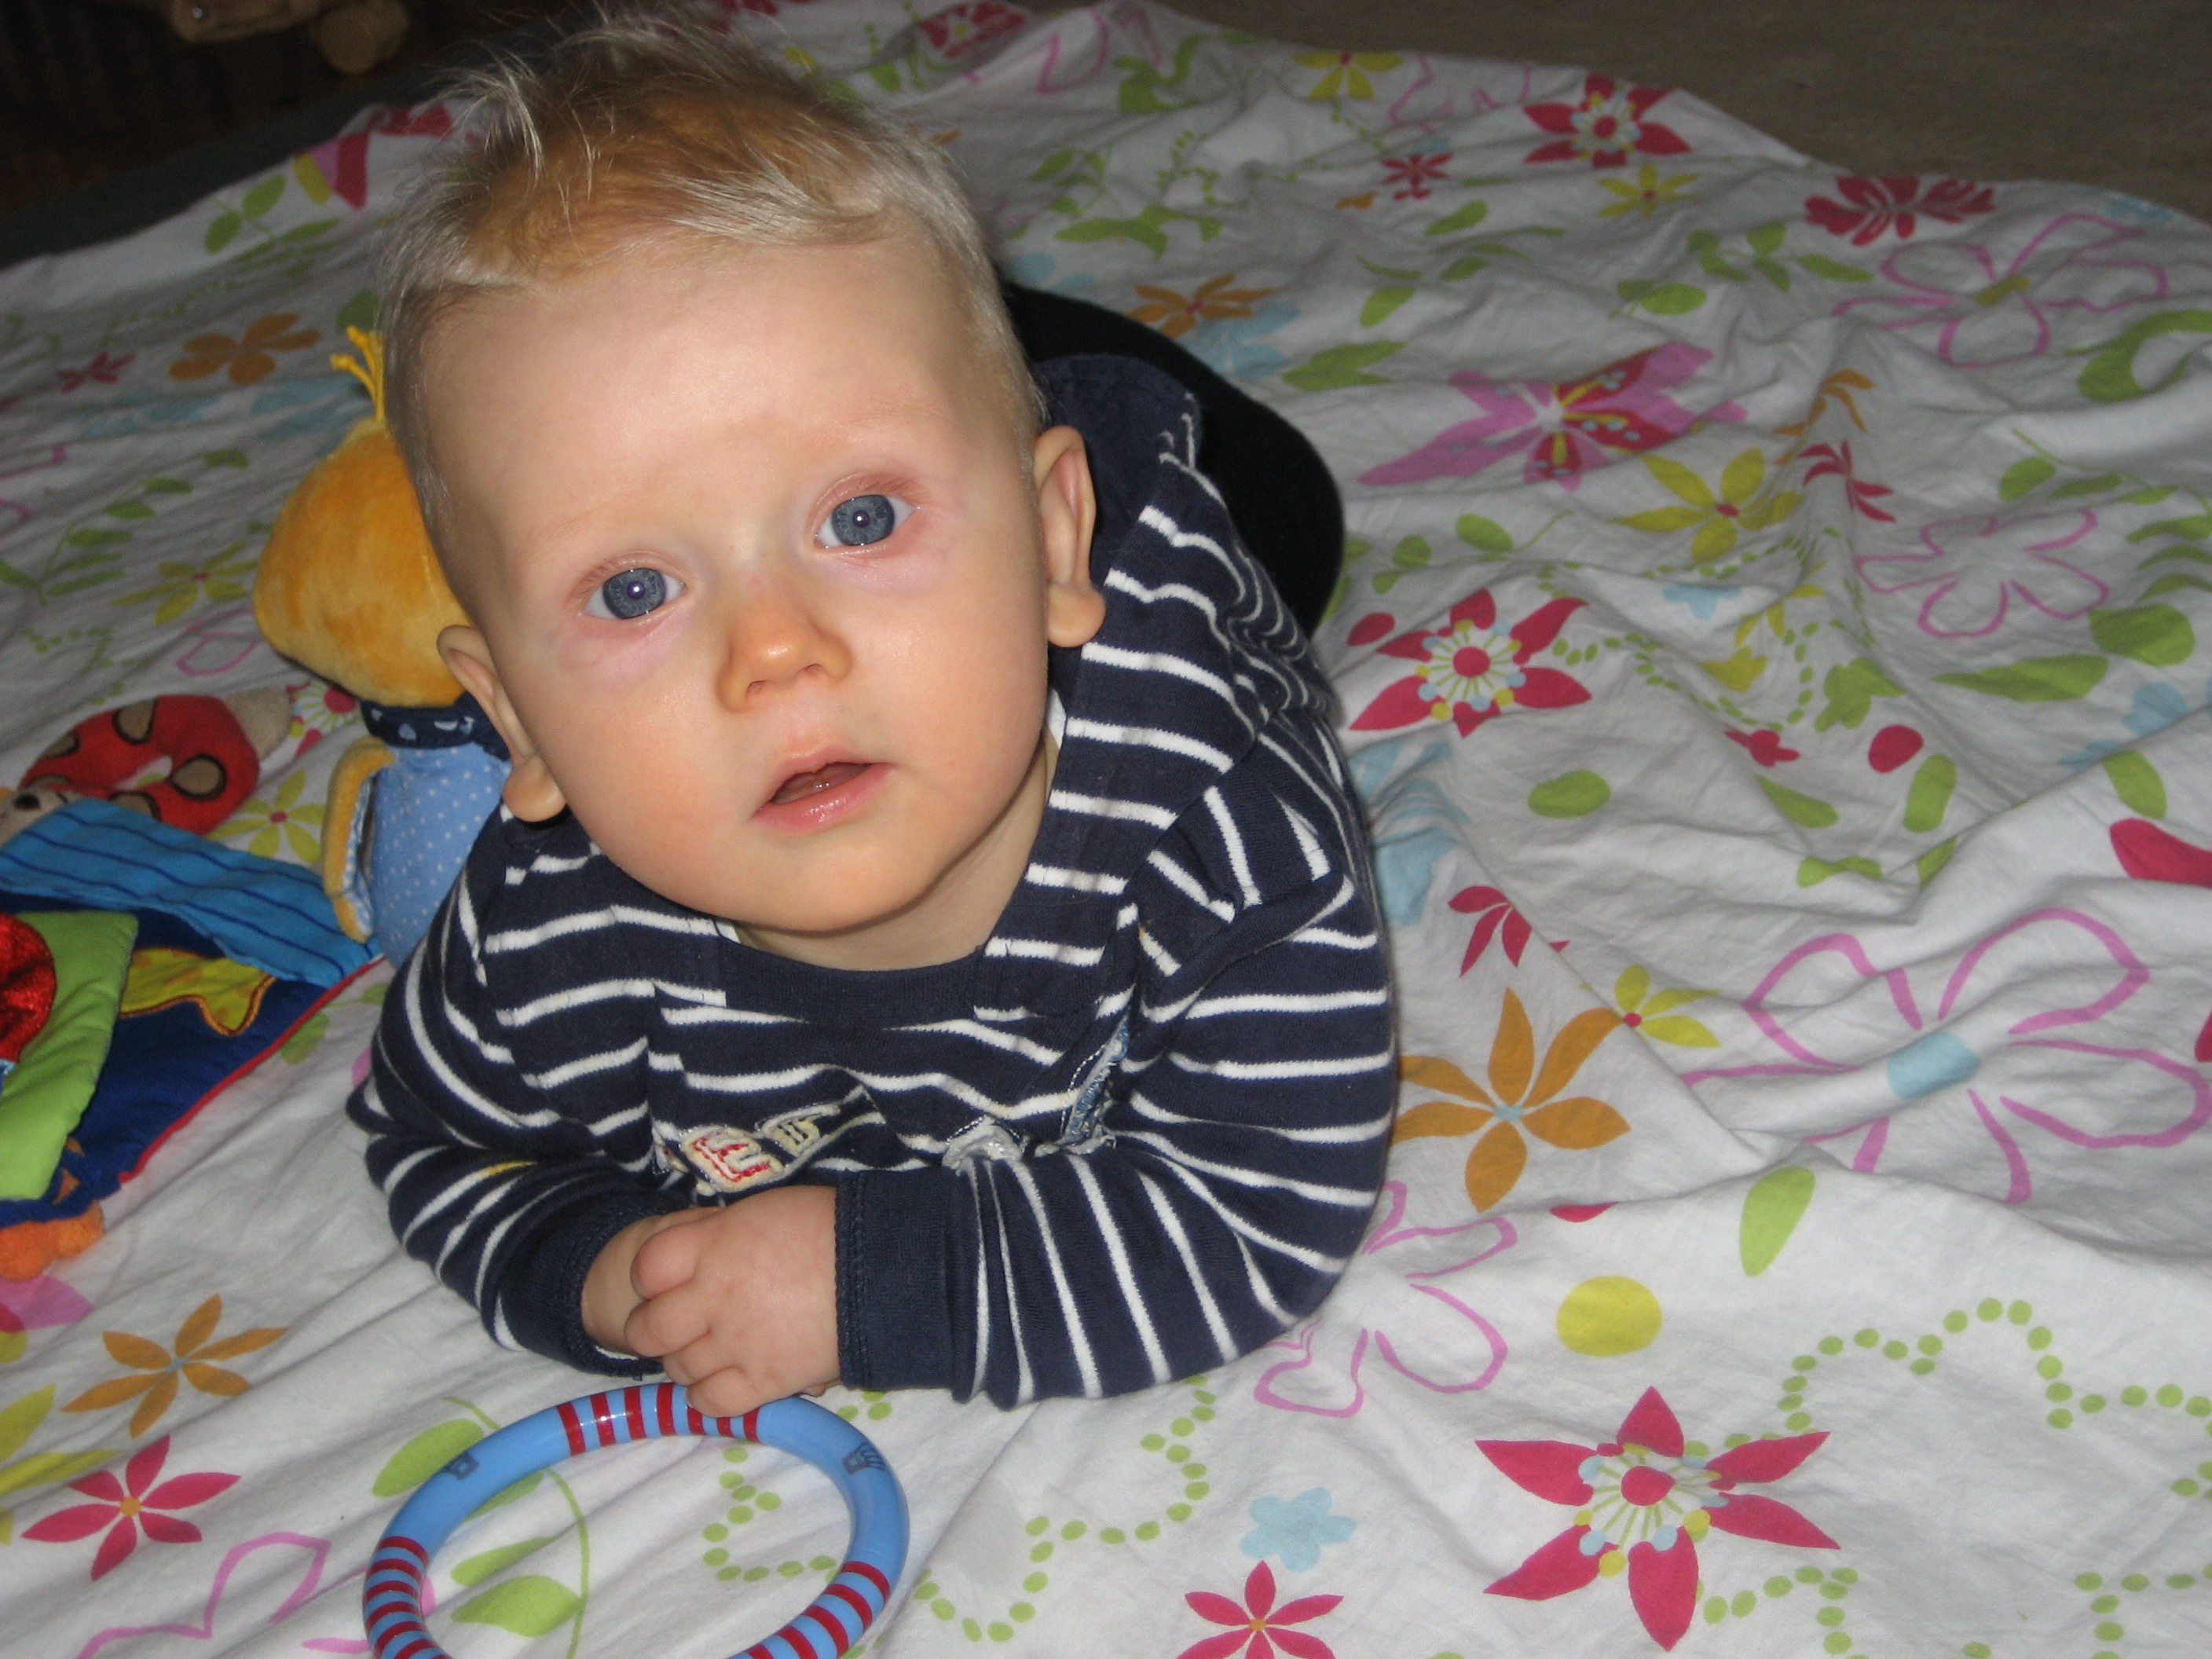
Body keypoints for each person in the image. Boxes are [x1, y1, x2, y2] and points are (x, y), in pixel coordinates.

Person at [348, 8, 1394, 1419]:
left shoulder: (1214, 824)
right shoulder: (541, 938)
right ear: (516, 723)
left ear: (1051, 541)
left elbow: (1255, 1216)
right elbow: (436, 1148)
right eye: (634, 590)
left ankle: (1035, 398)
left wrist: (862, 1283)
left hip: (1185, 540)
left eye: (860, 519)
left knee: (1283, 508)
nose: (775, 651)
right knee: (901, 384)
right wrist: (610, 1270)